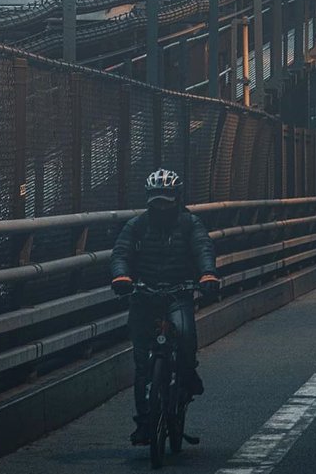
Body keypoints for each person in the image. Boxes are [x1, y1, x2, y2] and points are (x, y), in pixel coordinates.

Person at [110, 169, 219, 447]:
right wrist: (122, 277)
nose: (161, 205)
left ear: (177, 199)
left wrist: (207, 274)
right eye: (157, 200)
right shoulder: (136, 226)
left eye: (166, 200)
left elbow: (202, 248)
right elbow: (121, 252)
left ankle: (187, 376)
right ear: (149, 201)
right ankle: (145, 422)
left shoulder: (190, 224)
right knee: (142, 362)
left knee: (184, 335)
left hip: (178, 292)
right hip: (144, 294)